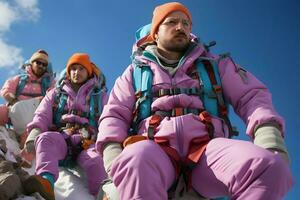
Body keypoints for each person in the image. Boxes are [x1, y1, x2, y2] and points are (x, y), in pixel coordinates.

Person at [96, 2, 293, 200]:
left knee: (269, 167)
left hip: (208, 154)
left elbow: (251, 97)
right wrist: (113, 161)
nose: (180, 27)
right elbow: (114, 114)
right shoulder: (134, 73)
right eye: (171, 22)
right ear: (155, 33)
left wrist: (270, 138)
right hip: (154, 153)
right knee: (136, 158)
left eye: (186, 23)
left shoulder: (215, 64)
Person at [23, 53, 108, 200]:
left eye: (81, 69)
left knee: (96, 161)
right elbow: (42, 115)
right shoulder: (55, 93)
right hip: (62, 138)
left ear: (88, 72)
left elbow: (109, 119)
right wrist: (33, 135)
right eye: (73, 68)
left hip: (88, 142)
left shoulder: (99, 96)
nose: (76, 72)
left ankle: (103, 194)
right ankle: (46, 183)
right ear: (68, 71)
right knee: (45, 139)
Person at [0, 49, 55, 147]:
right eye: (38, 62)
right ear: (31, 63)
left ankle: (23, 156)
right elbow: (6, 90)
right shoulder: (19, 79)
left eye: (44, 64)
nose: (41, 66)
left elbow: (54, 96)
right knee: (1, 110)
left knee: (29, 136)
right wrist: (13, 100)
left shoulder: (49, 83)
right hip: (15, 109)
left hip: (35, 113)